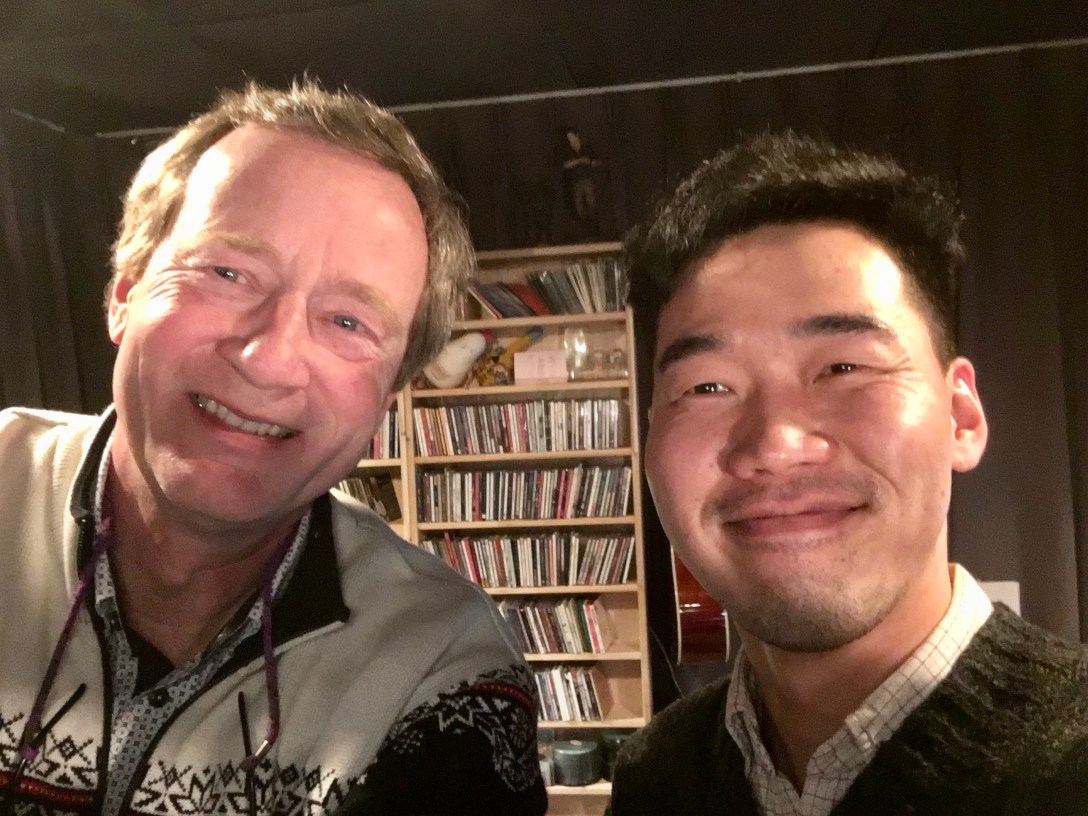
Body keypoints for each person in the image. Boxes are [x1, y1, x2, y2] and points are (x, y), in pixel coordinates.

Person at [0, 81, 546, 815]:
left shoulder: (442, 670)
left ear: (385, 399)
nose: (269, 359)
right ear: (124, 293)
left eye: (348, 322)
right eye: (227, 273)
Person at [611, 131, 1088, 815]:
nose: (776, 444)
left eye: (843, 367)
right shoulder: (655, 779)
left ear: (961, 416)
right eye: (707, 387)